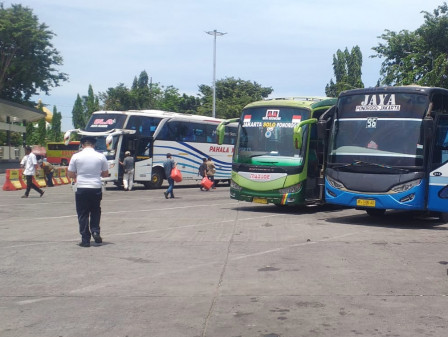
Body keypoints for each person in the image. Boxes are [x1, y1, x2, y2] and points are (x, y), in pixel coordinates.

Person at [67, 136, 109, 247]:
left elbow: (70, 174)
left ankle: (85, 239)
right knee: (95, 210)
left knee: (83, 213)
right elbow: (105, 173)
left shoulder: (76, 156)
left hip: (81, 187)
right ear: (94, 145)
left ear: (82, 145)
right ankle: (95, 231)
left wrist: (80, 174)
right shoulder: (101, 156)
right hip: (96, 187)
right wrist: (95, 174)